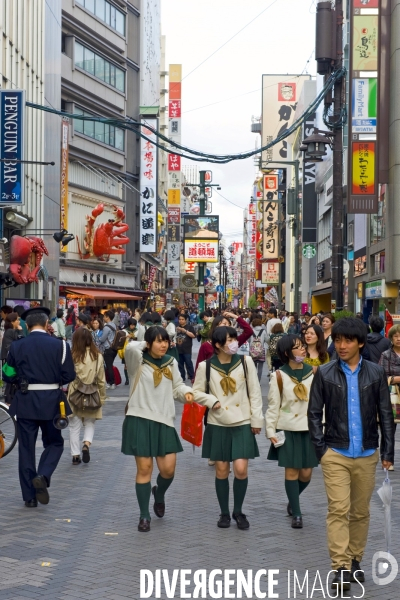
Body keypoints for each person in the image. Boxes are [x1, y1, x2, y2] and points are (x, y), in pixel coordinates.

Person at [308, 317, 395, 592]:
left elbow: (386, 415)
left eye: (347, 340)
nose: (341, 345)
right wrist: (321, 450)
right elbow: (313, 414)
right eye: (337, 340)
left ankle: (356, 559)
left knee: (360, 512)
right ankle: (341, 567)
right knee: (338, 510)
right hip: (336, 452)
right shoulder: (324, 373)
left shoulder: (376, 373)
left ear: (360, 342)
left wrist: (387, 451)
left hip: (367, 452)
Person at [122, 326, 194, 532]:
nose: (164, 345)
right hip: (140, 419)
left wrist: (186, 393)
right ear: (148, 343)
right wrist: (144, 341)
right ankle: (144, 515)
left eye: (166, 341)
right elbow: (130, 348)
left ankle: (159, 493)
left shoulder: (171, 363)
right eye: (159, 341)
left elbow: (177, 387)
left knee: (168, 470)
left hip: (164, 421)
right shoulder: (138, 362)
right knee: (144, 469)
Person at [2, 307, 76, 507]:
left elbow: (7, 374)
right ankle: (43, 475)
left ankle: (29, 498)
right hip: (52, 400)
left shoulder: (17, 346)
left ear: (27, 325)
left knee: (26, 448)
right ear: (46, 324)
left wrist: (21, 379)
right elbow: (70, 375)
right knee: (54, 443)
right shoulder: (60, 345)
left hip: (25, 400)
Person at [192, 326, 263, 530]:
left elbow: (255, 393)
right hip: (218, 422)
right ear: (217, 345)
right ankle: (224, 513)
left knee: (240, 469)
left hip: (242, 421)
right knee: (222, 470)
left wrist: (256, 420)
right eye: (229, 340)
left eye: (234, 338)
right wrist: (211, 400)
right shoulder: (206, 366)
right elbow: (196, 392)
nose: (234, 343)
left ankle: (238, 511)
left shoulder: (245, 361)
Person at [265, 334, 317, 529]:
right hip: (288, 428)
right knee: (292, 471)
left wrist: (323, 425)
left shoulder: (312, 371)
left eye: (303, 346)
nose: (303, 349)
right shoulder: (279, 375)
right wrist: (270, 430)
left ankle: (293, 499)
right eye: (297, 347)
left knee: (306, 474)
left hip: (309, 429)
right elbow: (273, 406)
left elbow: (320, 403)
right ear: (287, 353)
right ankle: (297, 513)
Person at [67, 327, 106, 465]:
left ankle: (75, 455)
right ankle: (86, 444)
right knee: (90, 422)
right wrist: (102, 397)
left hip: (74, 394)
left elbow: (66, 376)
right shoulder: (98, 356)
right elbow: (101, 379)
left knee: (74, 425)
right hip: (93, 392)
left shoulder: (72, 356)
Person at [98, 310, 117, 389]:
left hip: (107, 348)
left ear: (108, 317)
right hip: (114, 348)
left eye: (105, 316)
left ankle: (111, 383)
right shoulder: (114, 325)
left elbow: (102, 339)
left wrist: (97, 338)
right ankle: (111, 382)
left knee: (108, 366)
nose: (103, 318)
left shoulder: (106, 327)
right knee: (110, 365)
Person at [176, 313, 196, 382]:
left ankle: (192, 376)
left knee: (188, 363)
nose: (181, 321)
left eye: (182, 319)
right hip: (178, 348)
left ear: (185, 320)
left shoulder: (189, 327)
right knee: (180, 364)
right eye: (179, 319)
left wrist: (184, 331)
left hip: (187, 349)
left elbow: (193, 336)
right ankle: (182, 377)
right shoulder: (176, 327)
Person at [248, 317, 268, 382]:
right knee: (260, 367)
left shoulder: (250, 331)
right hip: (261, 350)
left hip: (252, 351)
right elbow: (267, 339)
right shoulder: (263, 331)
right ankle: (258, 381)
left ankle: (253, 380)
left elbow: (248, 340)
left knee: (253, 366)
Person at [122, 317, 138, 385]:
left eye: (134, 325)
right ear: (129, 325)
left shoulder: (137, 330)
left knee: (135, 365)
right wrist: (126, 337)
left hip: (135, 349)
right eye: (131, 325)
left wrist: (134, 337)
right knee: (126, 365)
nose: (132, 326)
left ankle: (134, 378)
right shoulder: (125, 331)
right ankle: (127, 380)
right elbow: (122, 338)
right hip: (127, 349)